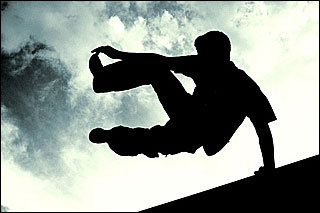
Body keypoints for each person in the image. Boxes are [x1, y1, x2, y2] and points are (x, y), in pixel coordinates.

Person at [88, 31, 277, 174]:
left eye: (203, 54)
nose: (199, 58)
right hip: (188, 113)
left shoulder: (244, 85)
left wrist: (269, 167)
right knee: (156, 69)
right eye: (199, 54)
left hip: (204, 131)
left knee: (153, 140)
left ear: (218, 54)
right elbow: (159, 61)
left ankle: (115, 136)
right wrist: (119, 54)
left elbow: (262, 128)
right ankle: (103, 80)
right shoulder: (200, 64)